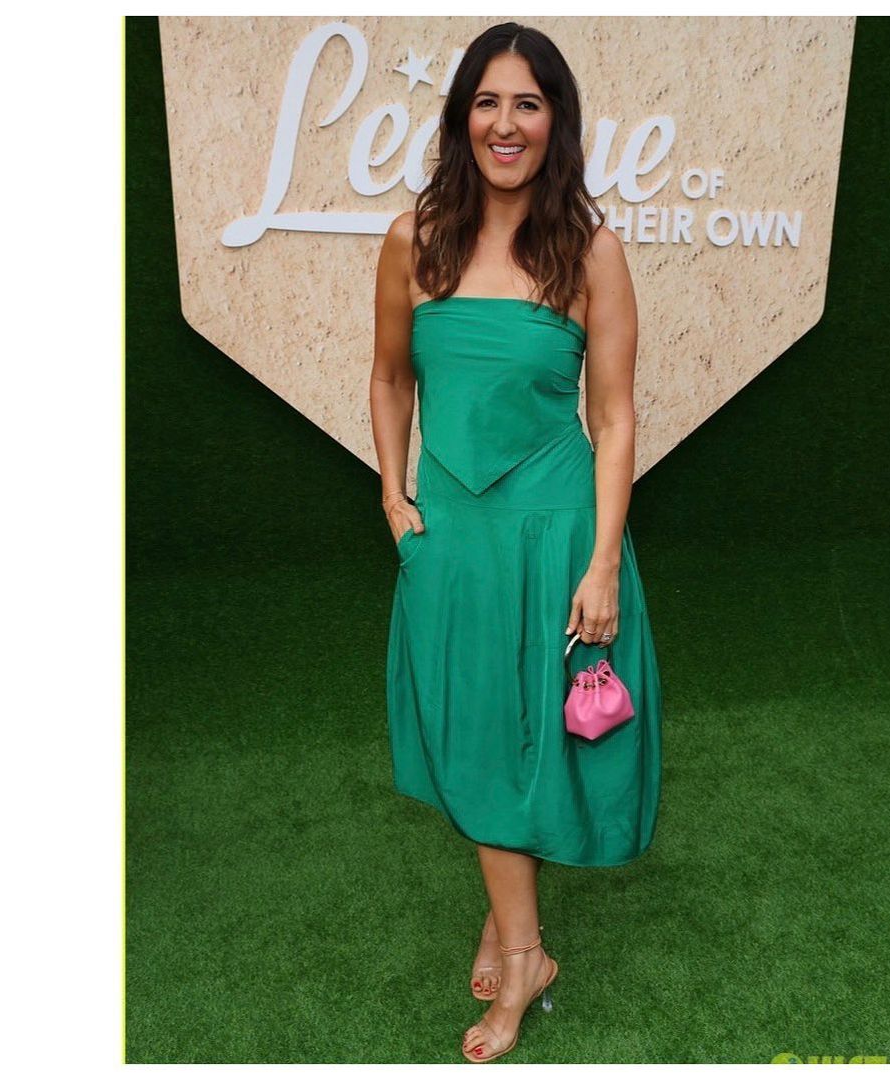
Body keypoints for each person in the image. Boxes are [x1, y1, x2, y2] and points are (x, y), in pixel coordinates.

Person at [370, 22, 663, 1063]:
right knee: (475, 734)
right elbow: (390, 376)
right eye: (487, 102)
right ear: (462, 118)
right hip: (453, 538)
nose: (506, 124)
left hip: (555, 537)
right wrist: (394, 497)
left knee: (526, 741)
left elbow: (614, 418)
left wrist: (602, 563)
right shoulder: (413, 240)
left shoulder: (590, 251)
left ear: (555, 122)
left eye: (527, 104)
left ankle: (523, 952)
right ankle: (511, 925)